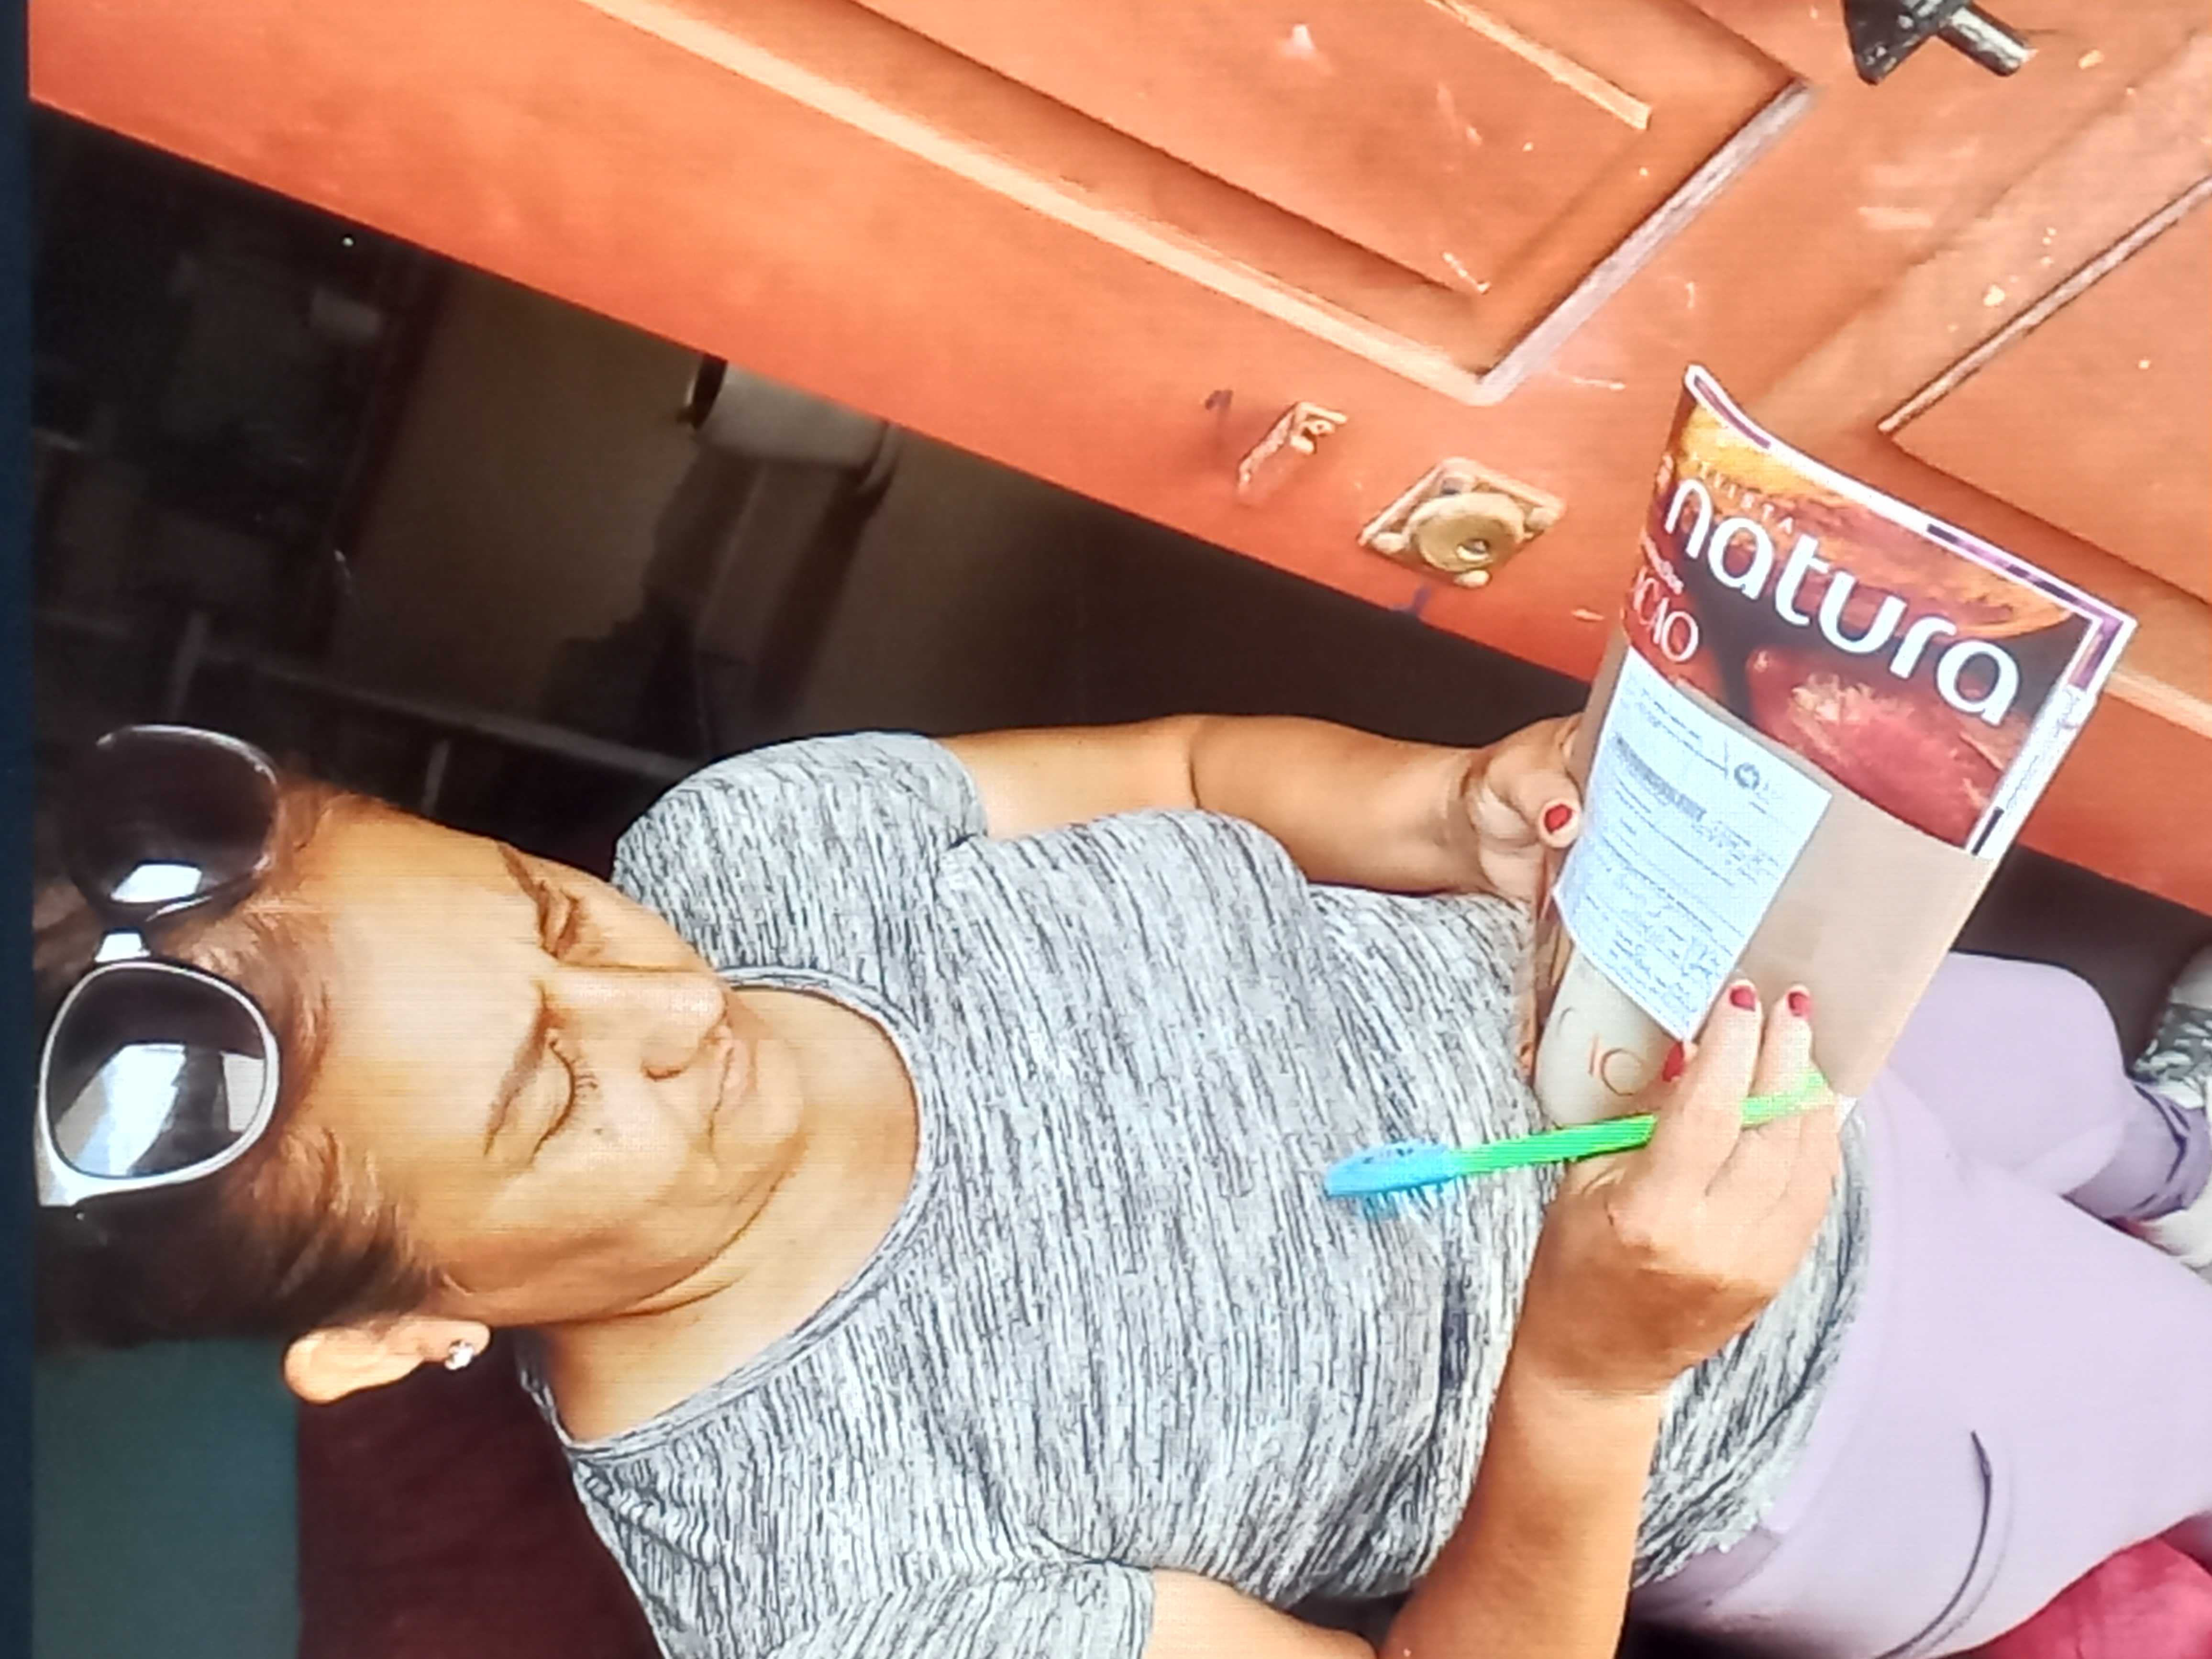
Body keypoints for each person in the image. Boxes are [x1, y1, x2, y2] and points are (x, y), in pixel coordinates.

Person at [32, 718, 2212, 1659]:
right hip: (1834, 1391)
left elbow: (1176, 768)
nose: (673, 1002)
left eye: (548, 906)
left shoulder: (743, 846)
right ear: (394, 1331)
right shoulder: (836, 1579)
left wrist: (1437, 808)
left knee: (2084, 1078)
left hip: (1714, 1009)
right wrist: (1591, 1373)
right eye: (545, 1097)